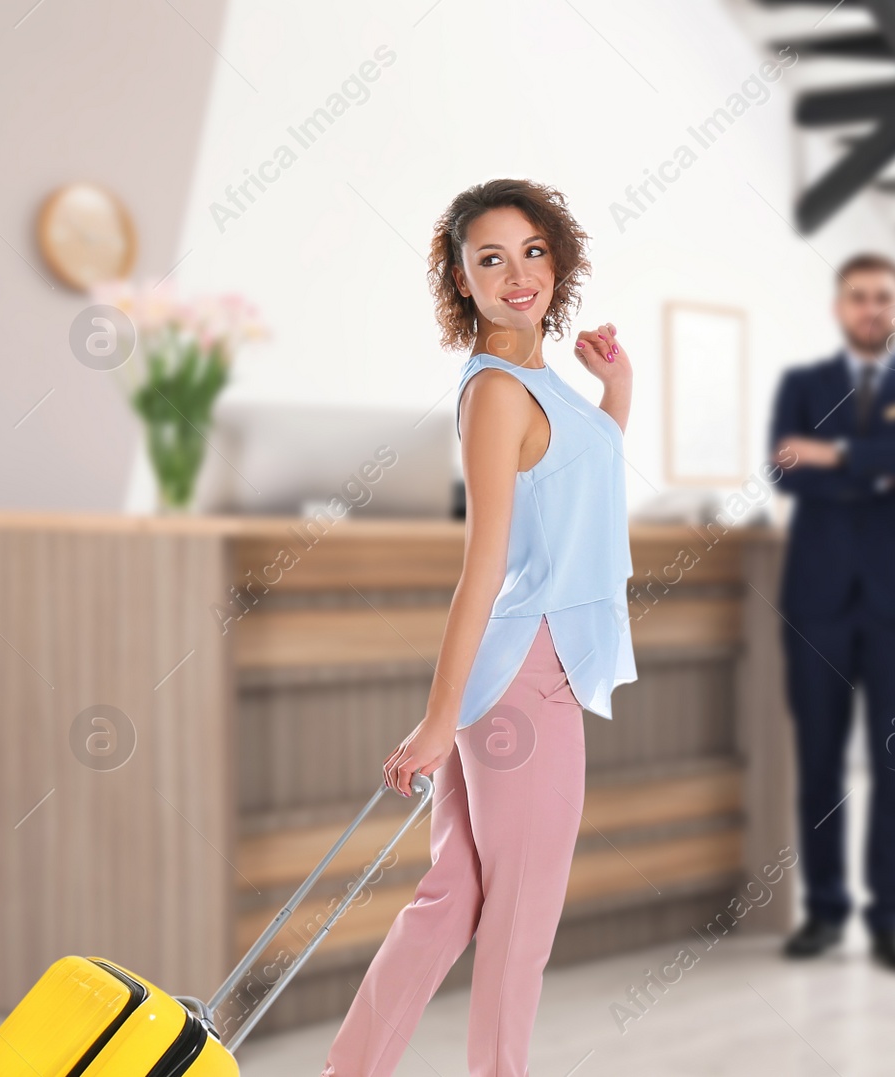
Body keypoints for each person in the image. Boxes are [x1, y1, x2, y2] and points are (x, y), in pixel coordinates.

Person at [321, 178, 637, 1077]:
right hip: (527, 681)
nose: (516, 273)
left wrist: (616, 389)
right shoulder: (497, 392)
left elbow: (581, 488)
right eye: (489, 258)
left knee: (454, 896)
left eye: (532, 250)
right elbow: (484, 567)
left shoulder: (542, 382)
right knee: (521, 919)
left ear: (558, 260)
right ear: (461, 281)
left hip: (513, 676)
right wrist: (435, 716)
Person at [769, 252, 895, 974]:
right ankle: (823, 910)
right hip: (817, 599)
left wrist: (838, 454)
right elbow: (785, 465)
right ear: (839, 307)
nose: (872, 308)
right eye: (858, 296)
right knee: (819, 764)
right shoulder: (803, 384)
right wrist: (883, 462)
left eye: (885, 296)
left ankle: (890, 918)